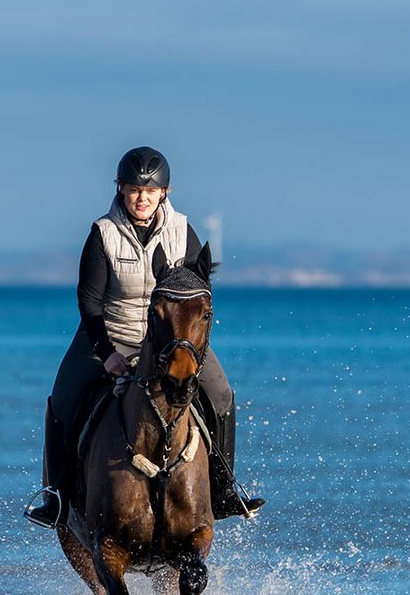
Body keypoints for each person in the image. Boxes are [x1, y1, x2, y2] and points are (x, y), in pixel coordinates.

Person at [25, 145, 264, 528]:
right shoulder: (103, 233)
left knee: (221, 394)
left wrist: (187, 341)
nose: (142, 198)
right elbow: (89, 300)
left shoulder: (182, 230)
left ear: (164, 193)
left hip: (170, 339)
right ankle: (56, 497)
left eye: (150, 191)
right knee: (64, 399)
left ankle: (222, 489)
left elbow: (198, 290)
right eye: (134, 189)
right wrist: (106, 354)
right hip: (110, 335)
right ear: (120, 189)